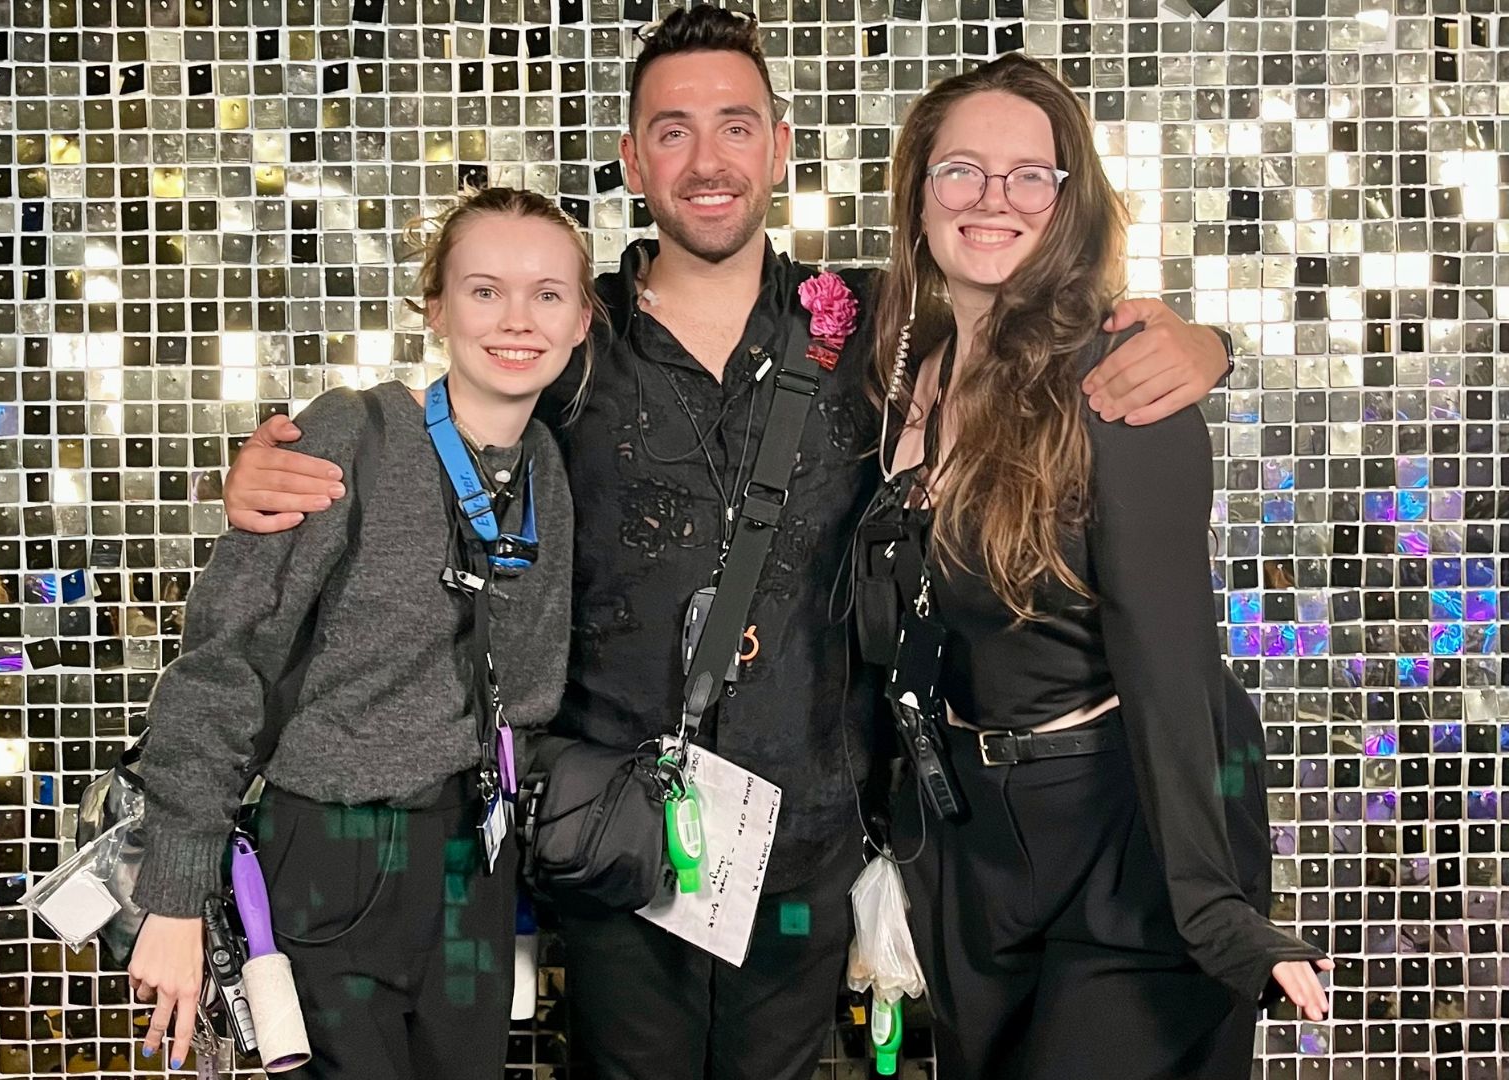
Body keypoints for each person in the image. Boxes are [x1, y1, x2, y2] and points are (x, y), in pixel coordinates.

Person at [218, 10, 1234, 1078]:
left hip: (809, 840)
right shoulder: (570, 333)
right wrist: (262, 475)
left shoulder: (877, 328)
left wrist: (1211, 343)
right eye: (672, 130)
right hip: (612, 838)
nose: (708, 161)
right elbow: (443, 436)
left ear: (780, 145)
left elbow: (1027, 337)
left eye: (736, 127)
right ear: (630, 160)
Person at [857, 54, 1331, 1078]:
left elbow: (1173, 666)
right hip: (966, 851)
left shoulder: (1120, 381)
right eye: (961, 172)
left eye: (1030, 175)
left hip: (1126, 838)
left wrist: (1211, 908)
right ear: (918, 192)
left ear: (1069, 202)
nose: (993, 200)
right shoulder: (894, 368)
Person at [124, 187, 593, 1080]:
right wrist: (176, 898)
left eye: (548, 294)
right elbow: (224, 661)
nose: (517, 319)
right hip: (333, 849)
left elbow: (523, 694)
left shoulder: (546, 473)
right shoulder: (352, 433)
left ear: (580, 322)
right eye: (485, 290)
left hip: (472, 859)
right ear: (437, 309)